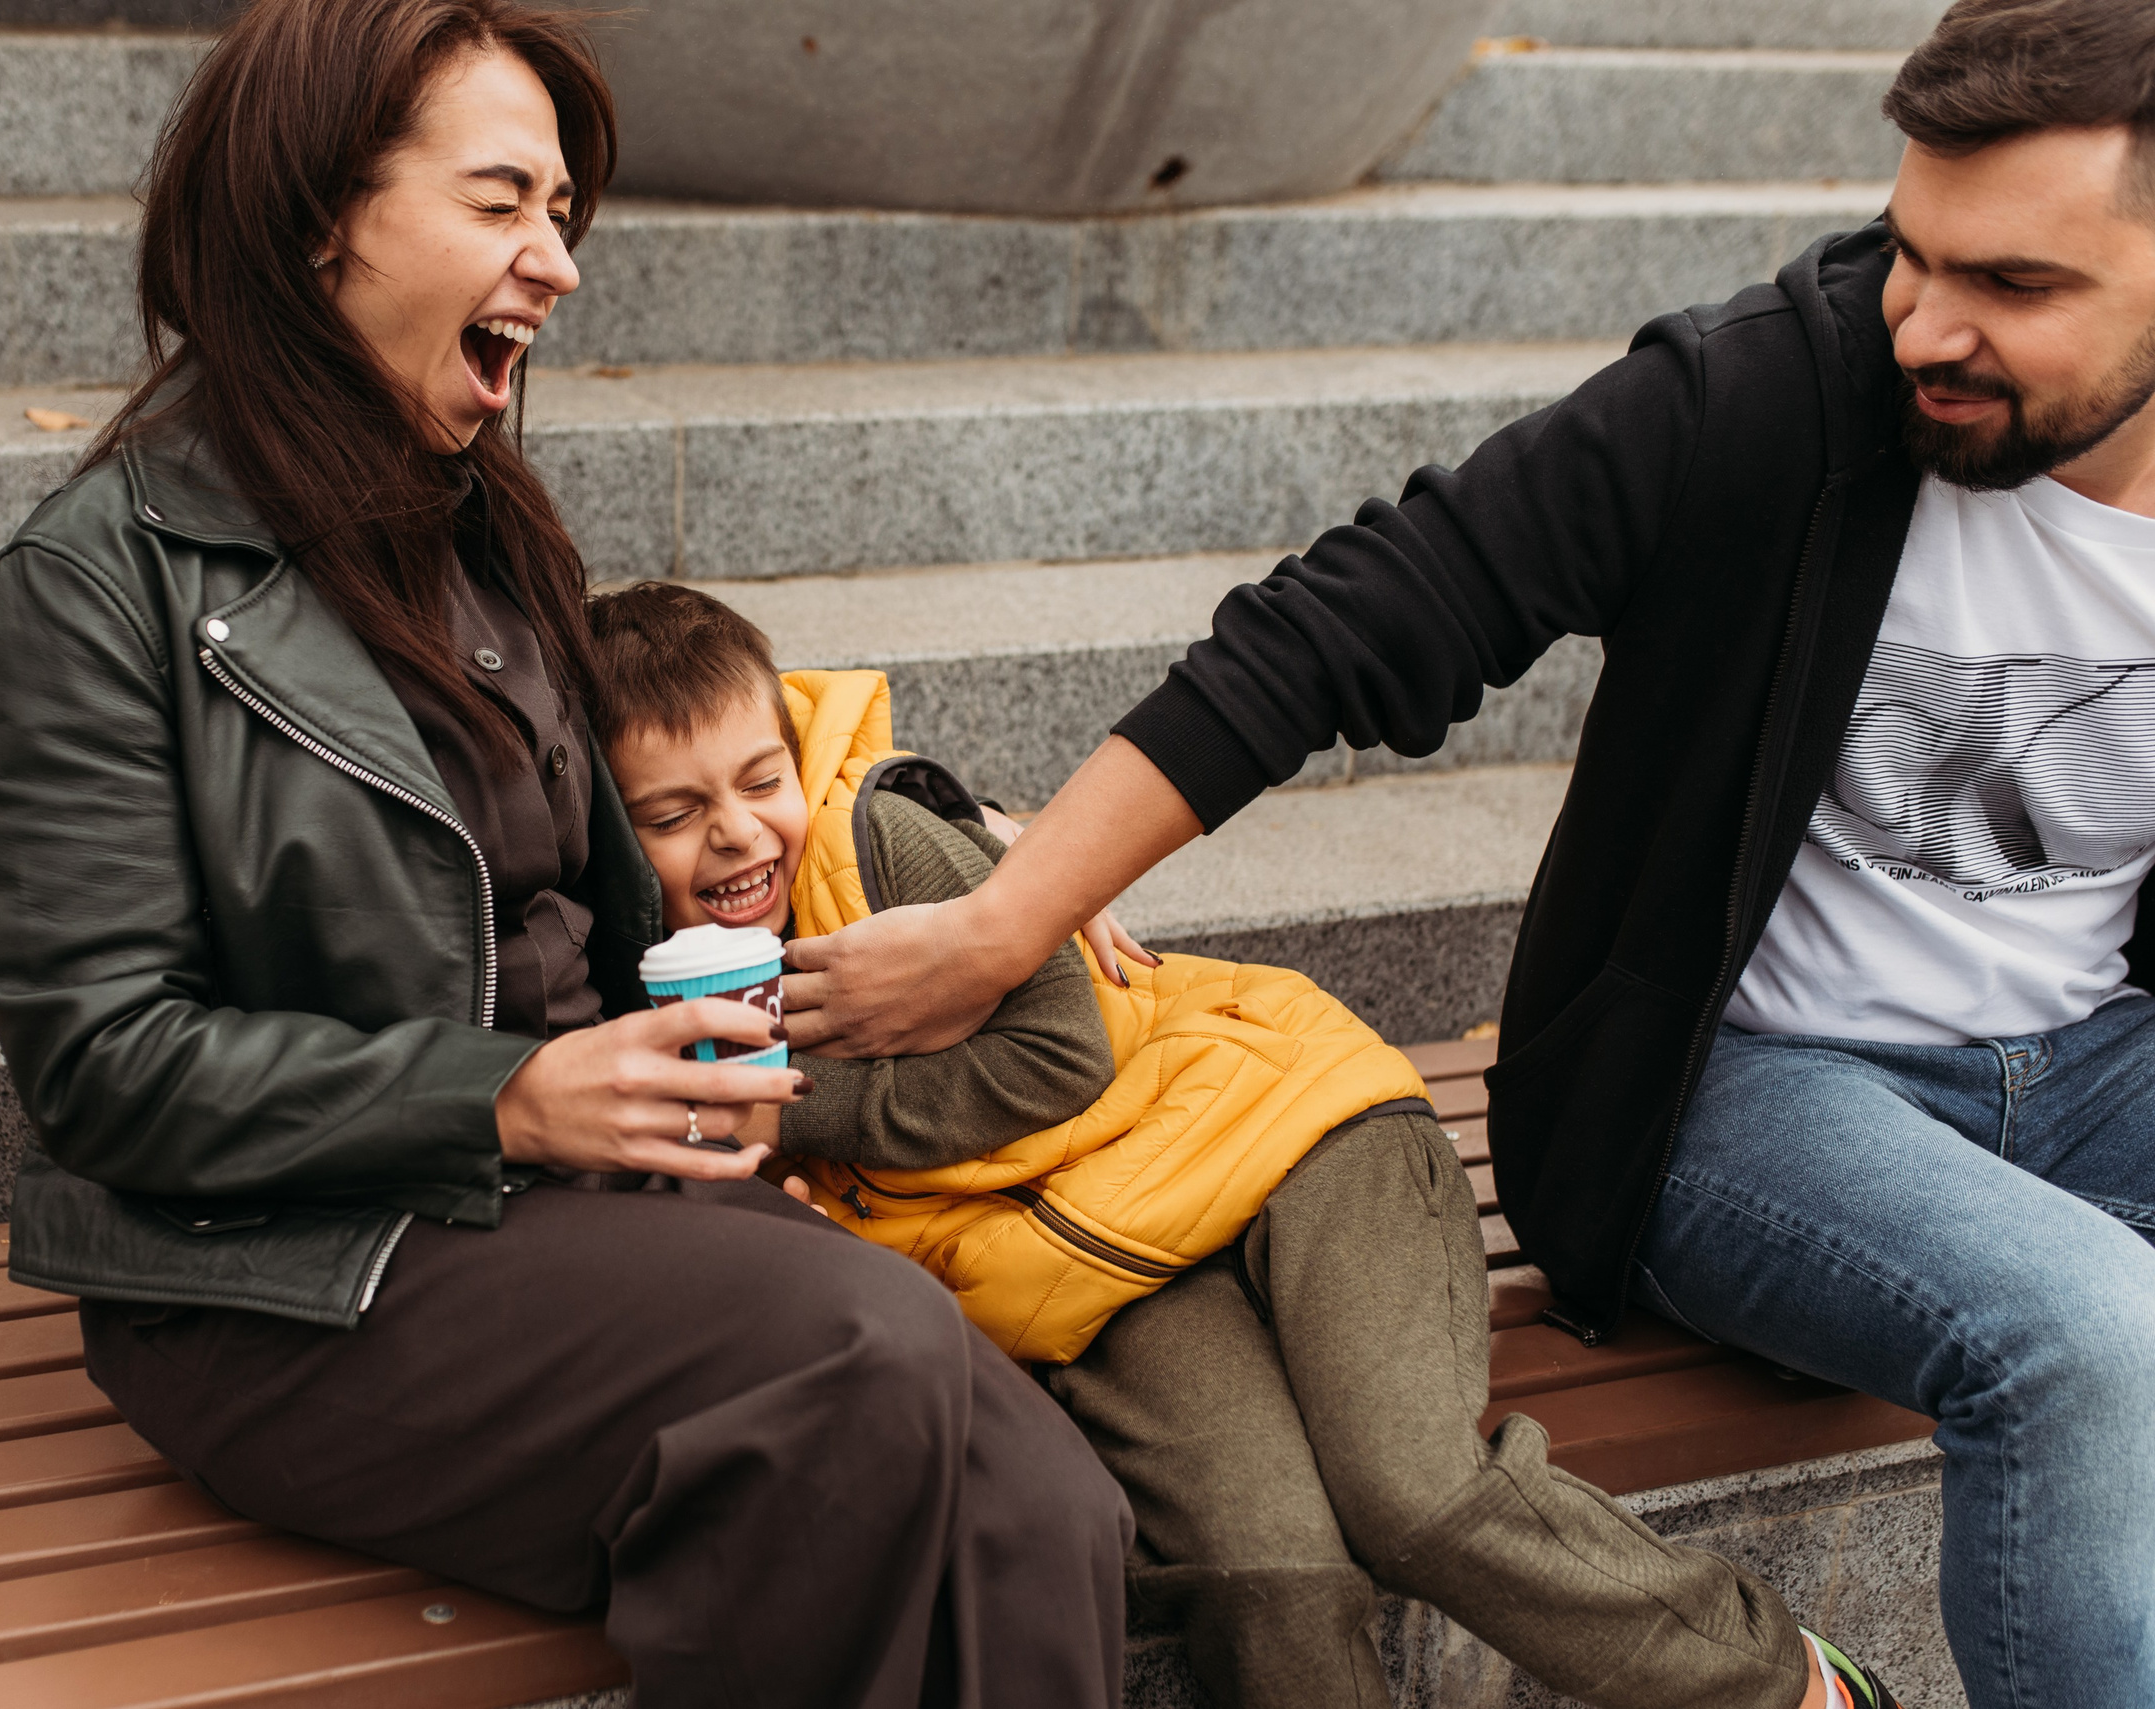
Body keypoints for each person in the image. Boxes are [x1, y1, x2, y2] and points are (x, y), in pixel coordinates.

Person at [779, 2, 2155, 1704]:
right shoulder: (1766, 398)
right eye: (1912, 252)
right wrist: (1002, 925)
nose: (1925, 323)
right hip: (1752, 1090)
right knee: (2094, 1332)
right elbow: (1355, 619)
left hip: (2098, 1064)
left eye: (2016, 287)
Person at [0, 4, 1131, 1704]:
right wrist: (500, 1097)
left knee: (1048, 1498)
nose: (556, 262)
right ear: (317, 221)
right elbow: (104, 1066)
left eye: (562, 215)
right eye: (503, 201)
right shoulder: (87, 593)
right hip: (283, 1272)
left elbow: (669, 824)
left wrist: (964, 852)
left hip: (578, 1199)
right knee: (861, 1360)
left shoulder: (490, 521)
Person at [585, 581, 1894, 1709]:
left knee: (1414, 1494)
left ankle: (1783, 1681)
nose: (740, 831)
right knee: (1275, 1574)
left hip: (1291, 1127)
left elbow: (1059, 1056)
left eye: (761, 780)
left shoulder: (869, 844)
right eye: (674, 811)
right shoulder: (659, 989)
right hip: (1119, 1265)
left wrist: (788, 1102)